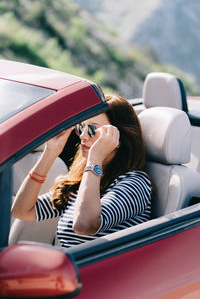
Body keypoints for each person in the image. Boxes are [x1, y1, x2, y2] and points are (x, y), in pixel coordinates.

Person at [11, 94, 152, 248]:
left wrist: (94, 159)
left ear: (118, 137)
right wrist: (50, 153)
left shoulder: (136, 183)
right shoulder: (81, 183)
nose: (83, 136)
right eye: (81, 127)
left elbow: (84, 224)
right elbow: (22, 211)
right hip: (70, 268)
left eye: (92, 129)